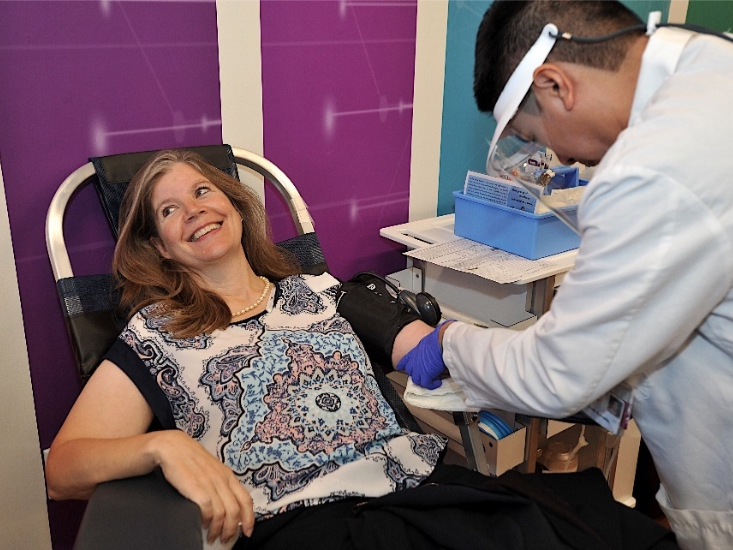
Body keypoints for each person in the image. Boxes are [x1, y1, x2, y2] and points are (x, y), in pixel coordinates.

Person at [46, 149, 676, 550]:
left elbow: (430, 356)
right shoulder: (158, 333)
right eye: (169, 210)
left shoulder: (324, 291)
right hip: (301, 524)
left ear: (236, 205)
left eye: (203, 192)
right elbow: (63, 470)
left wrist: (586, 370)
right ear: (159, 247)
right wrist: (165, 443)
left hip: (419, 494)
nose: (194, 211)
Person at [397, 2, 733, 549]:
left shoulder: (652, 172)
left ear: (556, 85)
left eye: (536, 136)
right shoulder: (711, 65)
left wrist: (449, 344)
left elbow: (556, 376)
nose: (550, 155)